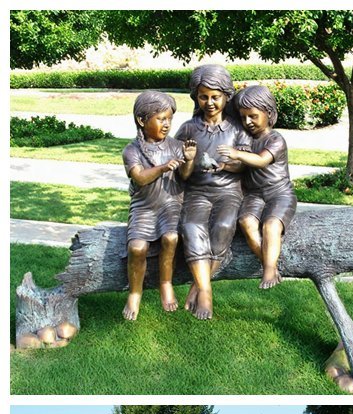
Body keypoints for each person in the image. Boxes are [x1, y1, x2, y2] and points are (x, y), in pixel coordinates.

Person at [175, 65, 251, 319]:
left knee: (225, 223)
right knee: (191, 226)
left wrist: (229, 163)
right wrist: (188, 160)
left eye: (215, 97)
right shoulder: (188, 129)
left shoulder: (237, 130)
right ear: (196, 98)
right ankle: (206, 292)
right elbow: (181, 176)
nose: (209, 102)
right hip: (196, 192)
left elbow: (245, 165)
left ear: (227, 96)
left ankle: (198, 286)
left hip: (228, 191)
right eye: (203, 97)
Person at [220, 84, 298, 289]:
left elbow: (261, 161)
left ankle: (270, 269)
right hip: (254, 194)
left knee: (271, 225)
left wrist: (236, 154)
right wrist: (223, 166)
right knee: (245, 221)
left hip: (279, 193)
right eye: (243, 117)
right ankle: (268, 264)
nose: (248, 122)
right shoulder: (246, 140)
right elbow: (242, 167)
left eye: (253, 116)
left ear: (269, 113)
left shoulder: (275, 139)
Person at [122, 91, 189, 320]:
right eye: (161, 119)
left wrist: (188, 160)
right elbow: (139, 178)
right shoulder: (132, 150)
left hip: (171, 204)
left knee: (171, 238)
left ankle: (166, 283)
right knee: (137, 248)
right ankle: (134, 293)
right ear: (142, 120)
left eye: (169, 119)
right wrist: (162, 168)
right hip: (144, 207)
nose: (167, 124)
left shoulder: (176, 146)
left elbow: (186, 176)